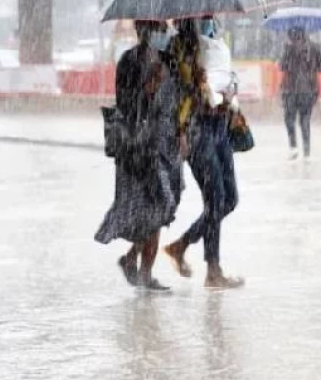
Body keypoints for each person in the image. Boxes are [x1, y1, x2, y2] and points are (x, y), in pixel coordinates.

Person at [95, 20, 181, 290]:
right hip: (137, 148)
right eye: (156, 30)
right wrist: (147, 90)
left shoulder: (168, 59)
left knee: (163, 207)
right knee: (150, 209)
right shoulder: (128, 61)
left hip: (163, 145)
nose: (160, 34)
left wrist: (180, 133)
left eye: (162, 30)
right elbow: (125, 104)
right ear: (142, 32)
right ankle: (141, 269)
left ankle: (136, 262)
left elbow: (175, 101)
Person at [163, 18, 244, 290]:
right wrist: (198, 86)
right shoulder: (177, 49)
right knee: (216, 198)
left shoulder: (215, 45)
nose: (209, 20)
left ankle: (181, 245)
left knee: (229, 198)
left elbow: (223, 76)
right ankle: (213, 270)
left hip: (220, 125)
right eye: (203, 16)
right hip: (196, 130)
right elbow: (179, 93)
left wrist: (229, 90)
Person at [279, 26, 321, 160]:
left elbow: (282, 66)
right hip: (309, 89)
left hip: (291, 90)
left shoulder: (288, 48)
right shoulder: (314, 47)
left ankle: (293, 147)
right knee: (305, 120)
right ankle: (306, 151)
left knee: (289, 119)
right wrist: (311, 66)